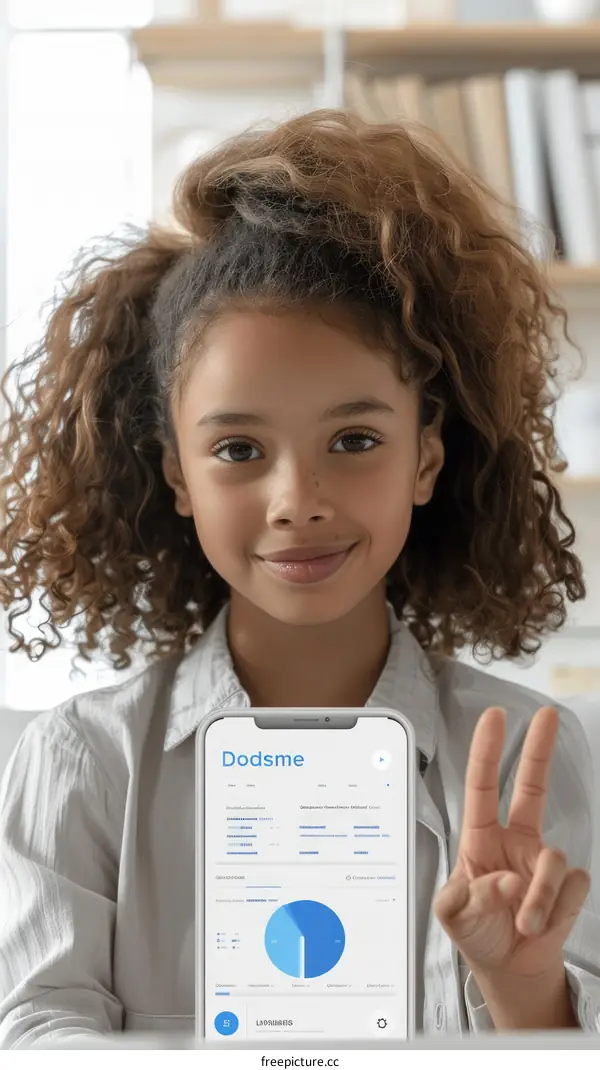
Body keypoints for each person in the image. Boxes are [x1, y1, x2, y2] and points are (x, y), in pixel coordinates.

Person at [0, 109, 598, 1049]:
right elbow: (34, 1040)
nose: (297, 499)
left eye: (354, 440)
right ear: (176, 477)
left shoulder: (529, 754)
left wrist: (525, 992)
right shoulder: (84, 765)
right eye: (238, 448)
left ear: (427, 460)